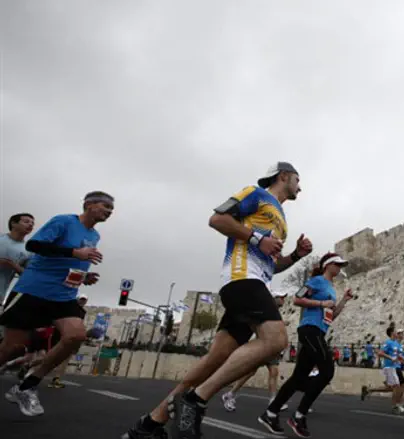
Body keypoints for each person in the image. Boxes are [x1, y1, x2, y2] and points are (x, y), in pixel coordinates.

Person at [123, 162, 312, 439]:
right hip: (241, 278)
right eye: (297, 179)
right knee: (276, 340)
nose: (300, 187)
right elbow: (217, 219)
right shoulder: (256, 194)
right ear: (283, 176)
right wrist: (256, 238)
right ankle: (195, 400)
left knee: (215, 360)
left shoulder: (281, 219)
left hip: (256, 281)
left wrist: (295, 255)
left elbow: (272, 265)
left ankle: (149, 425)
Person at [0, 191, 112, 416]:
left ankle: (27, 386)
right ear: (89, 205)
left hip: (64, 295)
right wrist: (74, 252)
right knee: (12, 348)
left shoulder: (94, 235)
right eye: (105, 206)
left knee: (76, 335)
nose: (109, 211)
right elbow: (34, 245)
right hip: (34, 290)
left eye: (111, 209)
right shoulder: (63, 221)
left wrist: (84, 276)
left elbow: (73, 263)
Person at [259, 252, 355, 438]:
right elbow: (297, 299)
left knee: (298, 378)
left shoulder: (330, 288)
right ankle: (299, 415)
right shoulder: (317, 281)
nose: (339, 268)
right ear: (327, 265)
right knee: (327, 370)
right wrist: (321, 303)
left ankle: (270, 413)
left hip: (319, 331)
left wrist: (344, 300)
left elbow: (332, 316)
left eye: (341, 265)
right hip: (310, 329)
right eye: (337, 264)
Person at [222, 290, 290, 412]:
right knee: (249, 372)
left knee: (274, 372)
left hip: (271, 347)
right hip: (262, 346)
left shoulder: (275, 312)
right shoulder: (265, 309)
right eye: (281, 297)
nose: (283, 300)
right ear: (274, 299)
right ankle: (230, 393)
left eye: (284, 298)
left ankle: (273, 400)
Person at [361, 327, 404, 414]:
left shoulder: (395, 343)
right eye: (395, 332)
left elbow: (396, 355)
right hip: (389, 367)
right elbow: (380, 353)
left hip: (394, 367)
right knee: (397, 386)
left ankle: (369, 390)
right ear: (392, 333)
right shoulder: (388, 342)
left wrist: (402, 360)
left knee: (390, 388)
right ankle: (396, 406)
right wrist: (391, 358)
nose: (397, 334)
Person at [48, 293, 89, 388]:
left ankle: (56, 378)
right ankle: (30, 367)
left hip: (71, 337)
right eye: (81, 300)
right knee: (50, 356)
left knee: (65, 358)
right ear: (77, 300)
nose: (82, 302)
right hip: (59, 335)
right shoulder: (69, 308)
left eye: (84, 300)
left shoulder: (82, 312)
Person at [0, 213, 35, 308]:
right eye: (26, 221)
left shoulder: (28, 250)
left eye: (32, 223)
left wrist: (11, 264)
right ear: (13, 223)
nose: (30, 224)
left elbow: (28, 275)